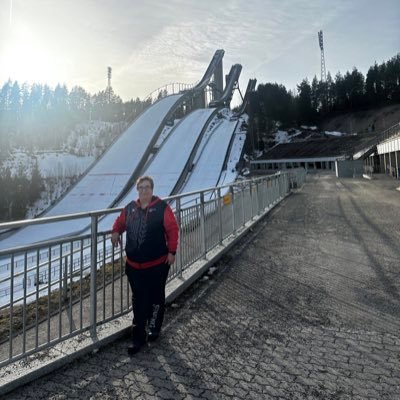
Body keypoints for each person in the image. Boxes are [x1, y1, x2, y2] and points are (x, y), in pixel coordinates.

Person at [111, 176, 179, 355]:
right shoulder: (130, 208)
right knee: (138, 299)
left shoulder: (162, 207)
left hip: (157, 264)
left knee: (156, 296)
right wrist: (116, 232)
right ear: (137, 190)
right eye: (140, 188)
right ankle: (138, 336)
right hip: (134, 266)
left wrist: (172, 251)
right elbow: (119, 222)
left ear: (152, 189)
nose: (143, 191)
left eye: (147, 187)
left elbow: (172, 229)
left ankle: (154, 327)